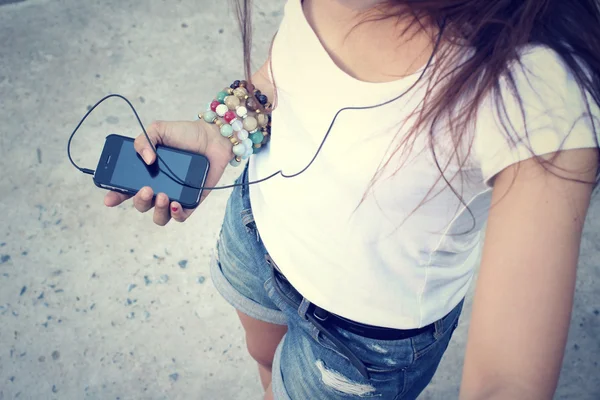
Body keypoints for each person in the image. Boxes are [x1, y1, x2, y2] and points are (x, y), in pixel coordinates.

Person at [104, 0, 600, 398]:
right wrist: (222, 132)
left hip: (363, 341)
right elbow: (282, 74)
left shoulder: (539, 85)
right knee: (263, 359)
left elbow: (505, 382)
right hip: (256, 238)